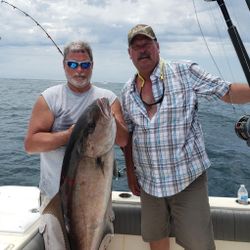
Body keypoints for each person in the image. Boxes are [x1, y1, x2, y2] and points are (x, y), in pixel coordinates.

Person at [121, 24, 250, 250]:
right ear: (129, 54)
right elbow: (129, 135)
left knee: (199, 244)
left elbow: (226, 91)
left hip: (187, 180)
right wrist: (131, 173)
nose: (142, 49)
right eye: (136, 46)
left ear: (157, 46)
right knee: (156, 239)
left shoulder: (184, 70)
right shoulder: (127, 91)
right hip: (149, 183)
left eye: (147, 43)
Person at [24, 40, 128, 249]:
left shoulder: (108, 98)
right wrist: (69, 136)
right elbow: (31, 145)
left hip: (96, 203)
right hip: (56, 198)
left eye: (85, 64)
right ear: (64, 66)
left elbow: (124, 140)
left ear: (92, 66)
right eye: (72, 64)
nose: (79, 70)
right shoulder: (50, 98)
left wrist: (107, 119)